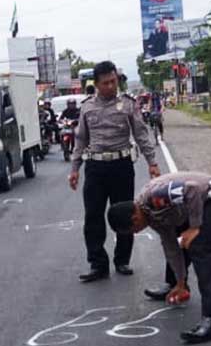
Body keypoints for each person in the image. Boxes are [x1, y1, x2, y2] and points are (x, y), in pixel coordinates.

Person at [107, 172, 211, 343]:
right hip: (197, 205)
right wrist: (181, 282)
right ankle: (175, 285)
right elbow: (171, 248)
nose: (136, 233)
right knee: (182, 242)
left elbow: (192, 189)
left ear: (135, 217)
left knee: (199, 247)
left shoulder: (155, 198)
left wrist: (195, 226)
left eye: (133, 230)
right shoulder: (151, 217)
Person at [69, 61, 161, 283]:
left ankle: (122, 260)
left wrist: (152, 162)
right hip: (96, 168)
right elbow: (81, 139)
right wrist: (75, 169)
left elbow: (141, 134)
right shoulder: (87, 107)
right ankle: (97, 264)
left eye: (114, 81)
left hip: (121, 166)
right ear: (97, 84)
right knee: (93, 216)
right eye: (106, 83)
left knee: (125, 213)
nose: (111, 86)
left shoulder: (128, 104)